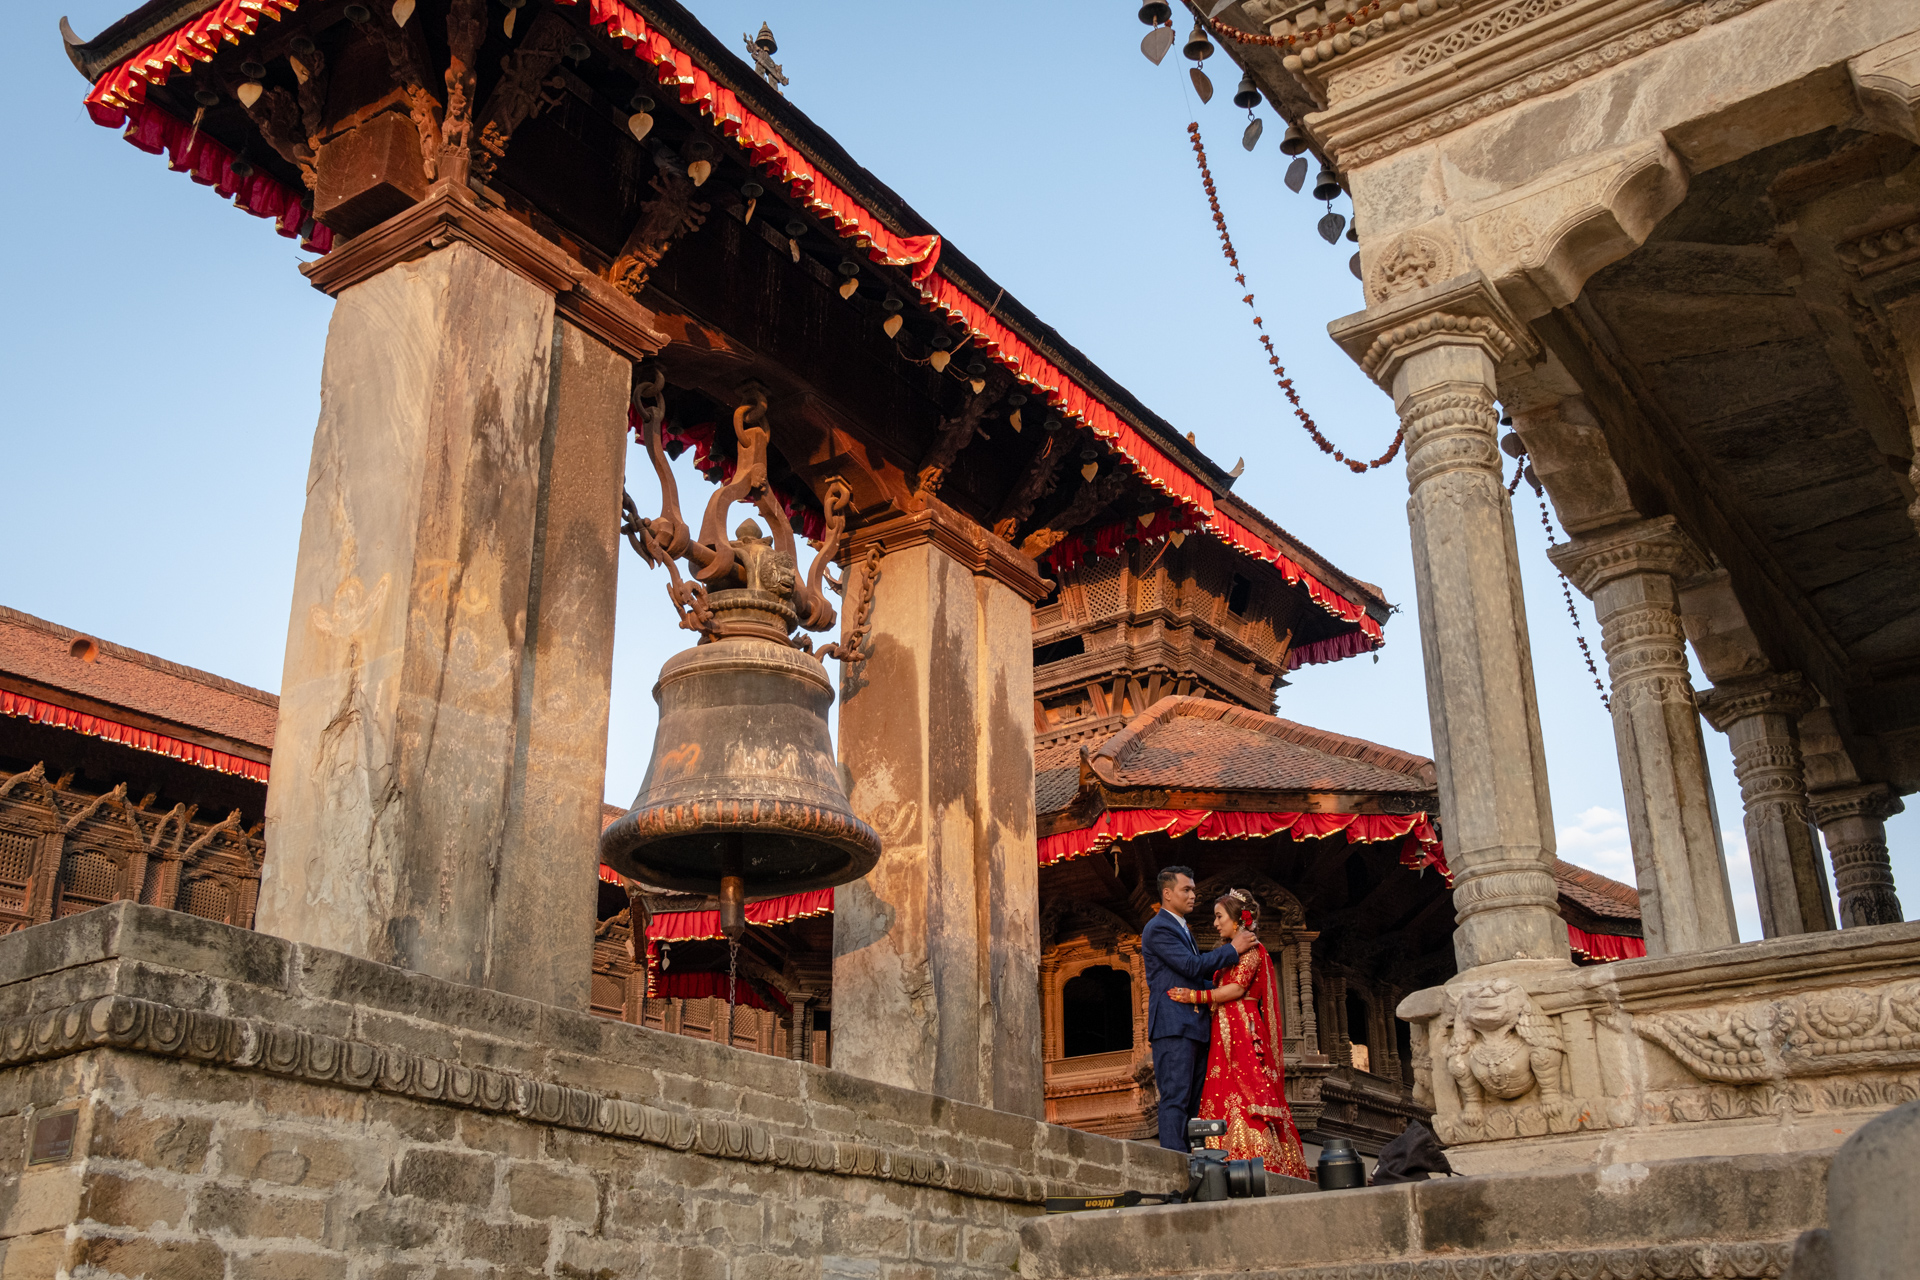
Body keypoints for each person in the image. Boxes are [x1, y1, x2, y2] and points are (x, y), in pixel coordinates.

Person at [1168, 888, 1311, 1178]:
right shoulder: (1233, 954)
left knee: (1246, 1089)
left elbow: (1237, 989)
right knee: (1225, 1087)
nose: (1216, 923)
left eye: (1220, 917)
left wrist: (1194, 997)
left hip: (1242, 1030)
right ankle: (1225, 1156)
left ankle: (1256, 1159)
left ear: (1237, 920)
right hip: (1226, 1029)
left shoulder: (1252, 951)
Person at [1142, 866, 1256, 1151]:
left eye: (1193, 889)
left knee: (1194, 1102)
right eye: (1186, 890)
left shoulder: (1183, 929)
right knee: (1175, 1099)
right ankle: (1175, 1169)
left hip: (1195, 1027)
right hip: (1173, 1026)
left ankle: (1195, 1165)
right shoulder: (1158, 928)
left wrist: (1234, 982)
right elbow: (1191, 966)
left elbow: (1194, 978)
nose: (1193, 895)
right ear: (1167, 894)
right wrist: (1234, 949)